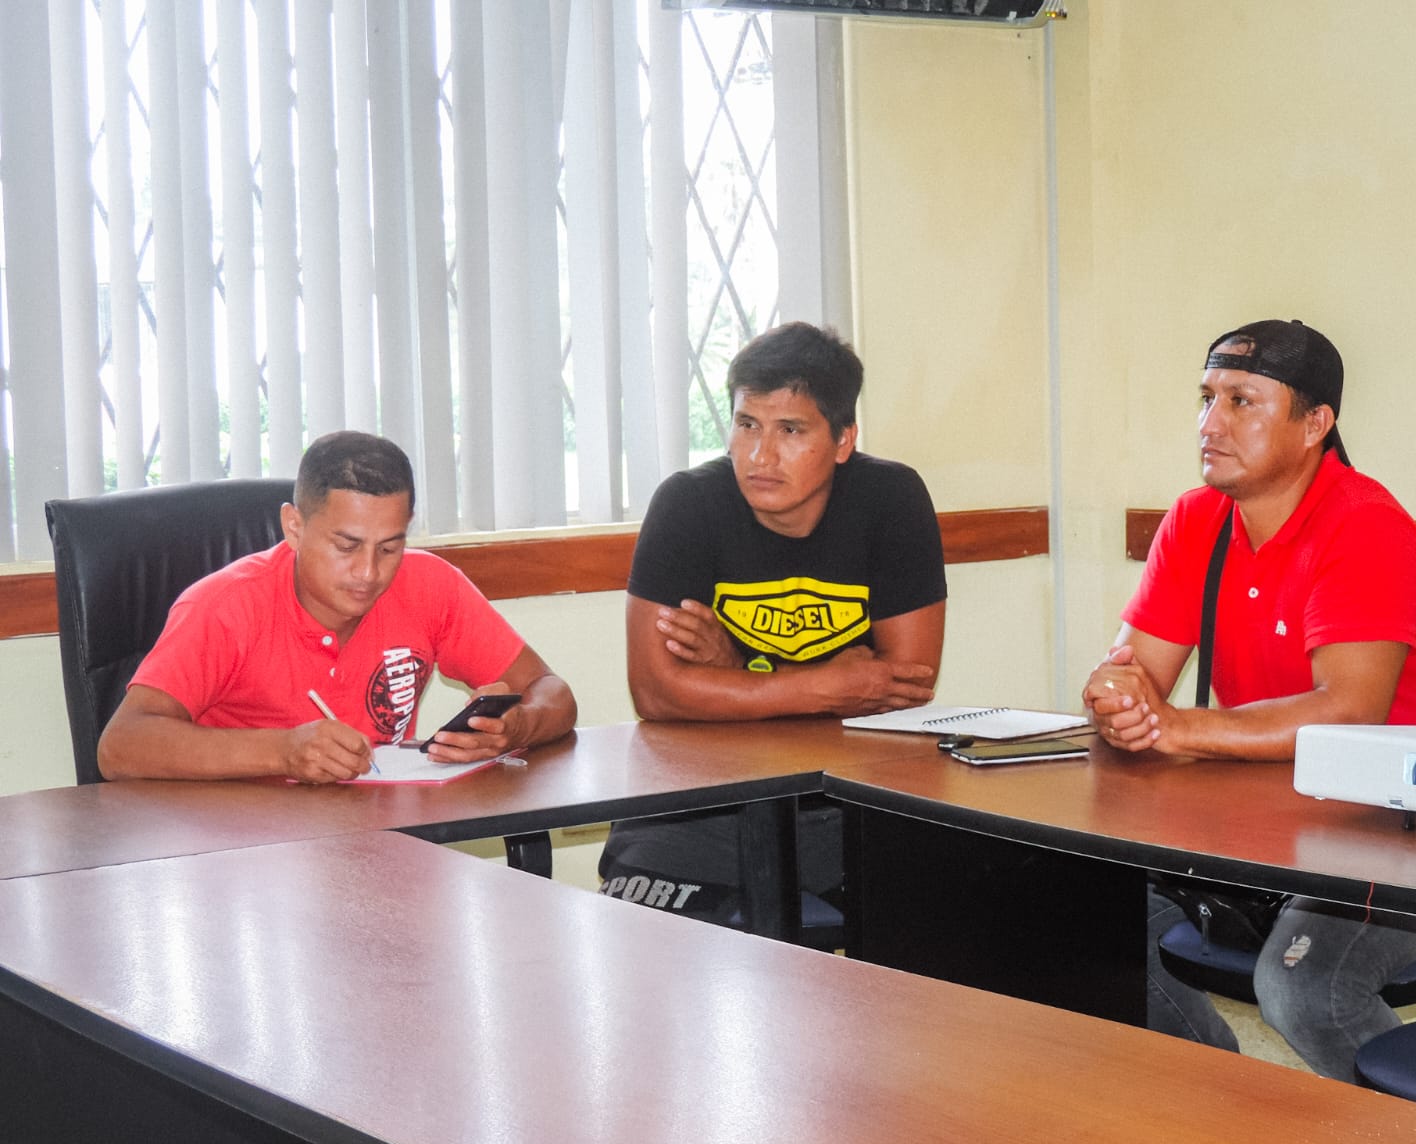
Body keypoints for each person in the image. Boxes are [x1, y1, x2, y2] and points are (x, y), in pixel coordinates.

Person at [1081, 319, 1416, 1082]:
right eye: (1206, 399)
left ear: (1314, 424)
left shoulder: (1365, 525)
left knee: (1306, 988)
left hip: (1415, 834)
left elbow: (1348, 712)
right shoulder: (1195, 520)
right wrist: (1115, 699)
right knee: (1089, 919)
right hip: (1269, 825)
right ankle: (1226, 1112)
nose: (1210, 424)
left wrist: (1175, 727)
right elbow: (1130, 676)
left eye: (1241, 401)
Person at [599, 321, 948, 922]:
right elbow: (656, 693)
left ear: (843, 440)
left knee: (948, 917)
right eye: (746, 425)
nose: (760, 456)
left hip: (845, 796)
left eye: (790, 430)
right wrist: (826, 685)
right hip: (698, 804)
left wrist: (734, 670)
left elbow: (902, 689)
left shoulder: (892, 500)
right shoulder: (687, 504)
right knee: (648, 947)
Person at [98, 431, 577, 782]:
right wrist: (283, 752)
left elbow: (553, 692)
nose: (368, 572)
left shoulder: (431, 586)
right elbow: (121, 746)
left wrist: (517, 727)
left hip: (382, 843)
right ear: (294, 527)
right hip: (241, 853)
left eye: (389, 547)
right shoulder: (224, 606)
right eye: (346, 546)